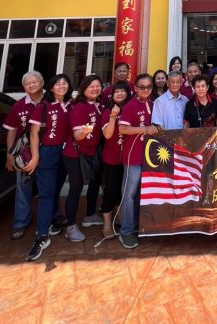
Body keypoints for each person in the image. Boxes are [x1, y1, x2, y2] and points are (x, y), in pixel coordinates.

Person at [25, 73, 72, 261]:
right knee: (46, 194)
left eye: (65, 83)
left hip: (66, 153)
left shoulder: (71, 106)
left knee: (56, 189)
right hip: (48, 153)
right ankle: (41, 236)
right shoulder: (43, 107)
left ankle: (53, 221)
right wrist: (36, 155)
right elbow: (34, 134)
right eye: (58, 83)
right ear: (51, 87)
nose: (62, 86)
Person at [62, 74, 104, 242]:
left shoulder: (98, 106)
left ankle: (90, 215)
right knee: (75, 188)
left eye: (98, 86)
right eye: (91, 86)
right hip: (75, 154)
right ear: (83, 89)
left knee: (94, 184)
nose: (95, 89)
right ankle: (70, 227)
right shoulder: (79, 107)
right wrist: (84, 131)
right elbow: (77, 135)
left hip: (93, 152)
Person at [118, 73, 158, 249]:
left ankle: (136, 225)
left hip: (148, 157)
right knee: (129, 195)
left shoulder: (152, 103)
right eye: (142, 87)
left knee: (142, 194)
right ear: (135, 88)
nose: (146, 90)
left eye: (149, 87)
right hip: (132, 157)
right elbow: (123, 128)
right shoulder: (130, 105)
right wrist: (144, 129)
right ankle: (125, 232)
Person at [4, 70, 45, 240]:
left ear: (42, 83)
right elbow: (12, 131)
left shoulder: (52, 101)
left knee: (48, 187)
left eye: (34, 82)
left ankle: (49, 219)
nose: (31, 85)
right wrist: (9, 154)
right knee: (23, 187)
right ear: (23, 87)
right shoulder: (18, 105)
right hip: (25, 153)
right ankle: (20, 222)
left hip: (49, 151)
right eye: (27, 83)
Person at [101, 81, 132, 238]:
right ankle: (106, 224)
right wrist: (113, 116)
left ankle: (118, 216)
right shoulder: (107, 111)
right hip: (111, 158)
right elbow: (107, 134)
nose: (119, 93)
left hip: (127, 157)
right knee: (111, 190)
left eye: (123, 91)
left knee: (123, 189)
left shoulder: (130, 109)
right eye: (116, 91)